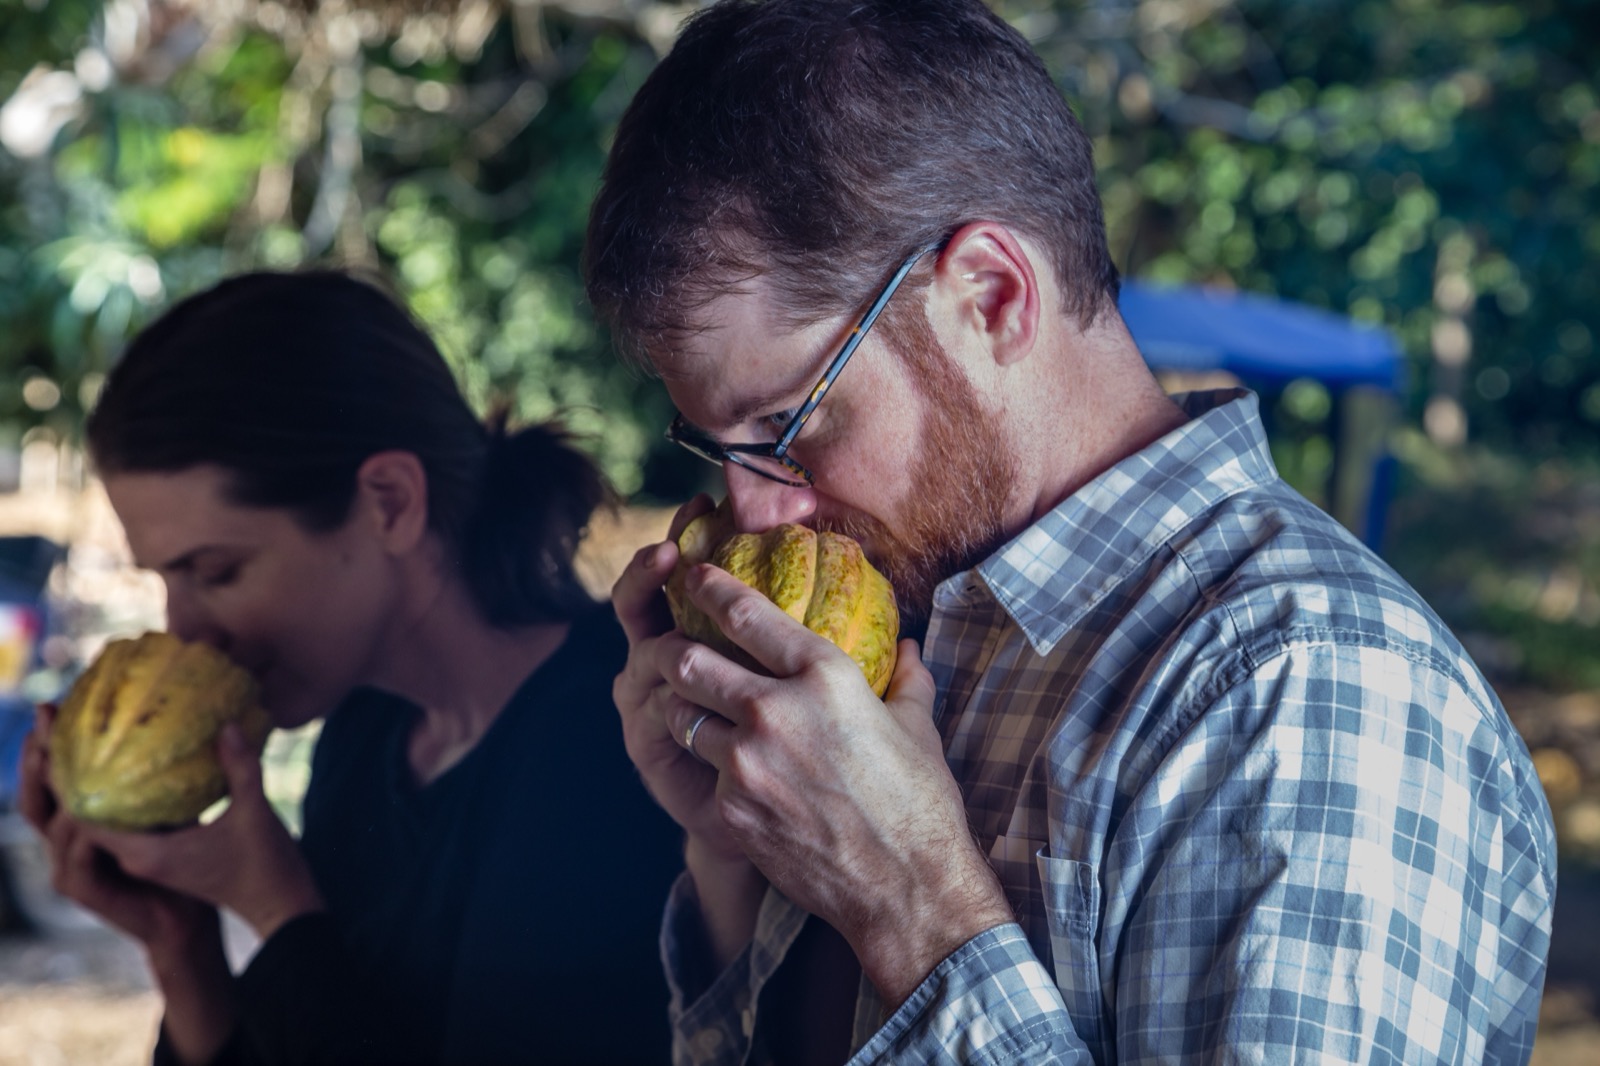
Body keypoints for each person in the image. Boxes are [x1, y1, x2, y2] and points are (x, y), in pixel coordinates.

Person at [582, 1, 1559, 1063]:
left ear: (992, 296)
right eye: (718, 445)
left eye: (787, 420)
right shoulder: (899, 627)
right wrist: (733, 859)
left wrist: (913, 909)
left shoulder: (1306, 690)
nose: (757, 507)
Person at [18, 270, 683, 1065]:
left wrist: (278, 907)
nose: (183, 632)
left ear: (390, 502)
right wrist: (180, 946)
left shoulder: (617, 743)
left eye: (217, 572)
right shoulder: (366, 738)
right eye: (166, 580)